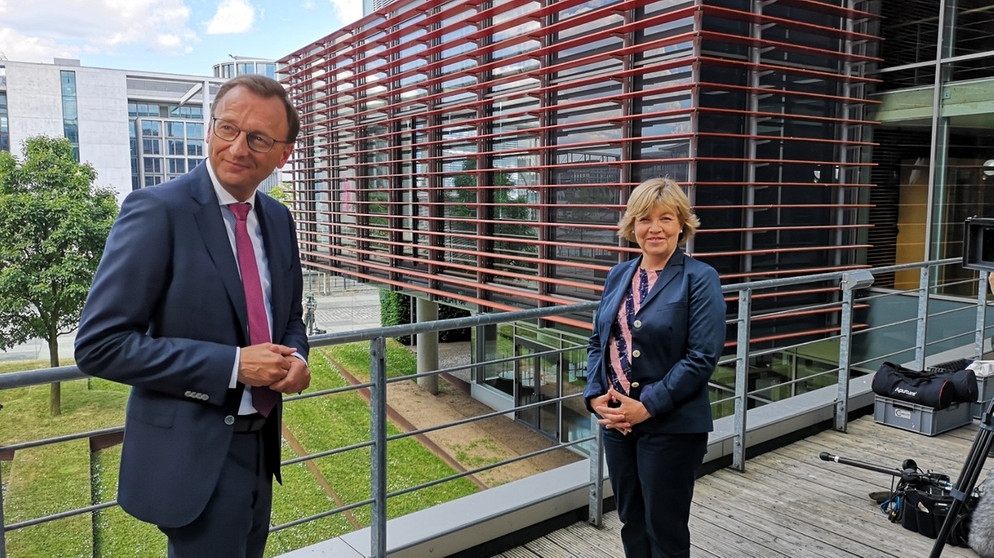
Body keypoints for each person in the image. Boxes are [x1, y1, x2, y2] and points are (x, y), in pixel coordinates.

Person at [74, 74, 311, 557]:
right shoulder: (157, 211)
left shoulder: (279, 219)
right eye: (228, 128)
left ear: (283, 154)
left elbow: (289, 319)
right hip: (192, 456)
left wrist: (299, 358)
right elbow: (99, 345)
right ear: (209, 129)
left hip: (260, 445)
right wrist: (232, 366)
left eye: (259, 138)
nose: (238, 147)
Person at [584, 177, 726, 558]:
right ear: (633, 226)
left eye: (666, 218)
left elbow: (702, 357)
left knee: (664, 527)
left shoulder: (700, 278)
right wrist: (595, 394)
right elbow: (599, 340)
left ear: (682, 224)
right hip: (618, 423)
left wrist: (646, 406)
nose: (655, 228)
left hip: (671, 425)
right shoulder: (619, 275)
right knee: (631, 518)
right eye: (645, 219)